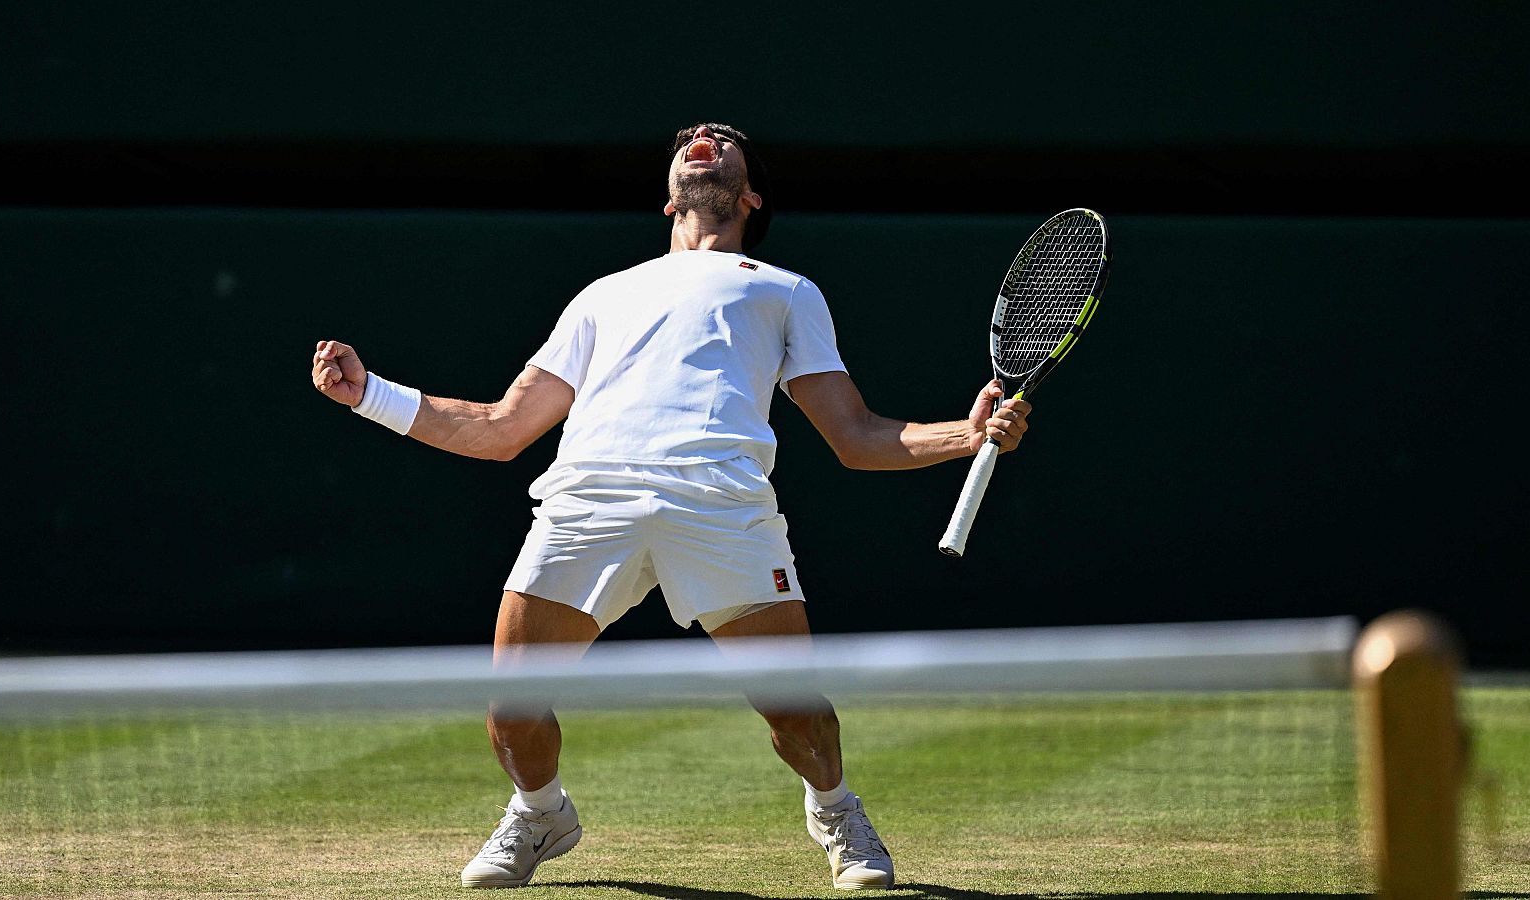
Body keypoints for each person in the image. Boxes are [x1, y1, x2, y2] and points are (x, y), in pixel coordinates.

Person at [309, 123, 1032, 890]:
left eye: (726, 141)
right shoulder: (603, 294)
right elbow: (499, 428)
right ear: (666, 199)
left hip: (721, 504)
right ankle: (540, 812)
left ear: (749, 194)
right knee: (512, 711)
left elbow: (855, 436)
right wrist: (368, 396)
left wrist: (970, 431)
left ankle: (834, 807)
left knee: (800, 715)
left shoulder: (785, 290)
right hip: (588, 501)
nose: (705, 136)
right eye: (692, 137)